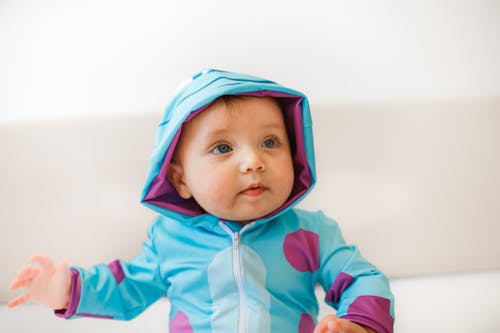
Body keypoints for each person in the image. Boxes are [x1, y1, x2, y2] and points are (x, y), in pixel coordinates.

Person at [8, 69, 394, 333]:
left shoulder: (312, 233)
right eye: (223, 147)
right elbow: (128, 287)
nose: (254, 161)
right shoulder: (170, 241)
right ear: (180, 179)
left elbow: (363, 278)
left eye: (270, 142)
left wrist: (358, 321)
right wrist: (69, 289)